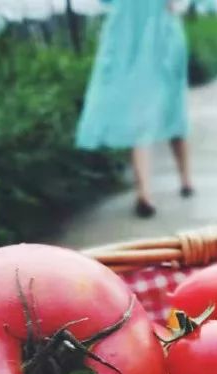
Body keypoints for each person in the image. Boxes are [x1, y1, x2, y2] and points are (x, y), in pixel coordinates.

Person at [75, 0, 193, 218]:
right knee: (171, 108)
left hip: (131, 37)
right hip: (151, 35)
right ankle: (180, 181)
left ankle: (148, 192)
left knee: (145, 111)